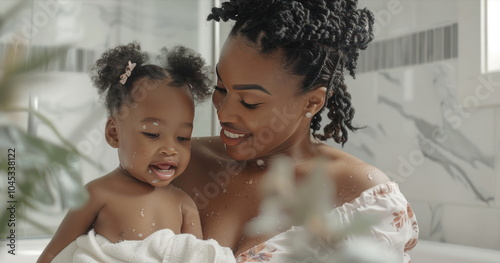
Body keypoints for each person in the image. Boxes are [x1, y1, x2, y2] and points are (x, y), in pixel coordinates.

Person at [172, 0, 419, 262]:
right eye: (220, 88)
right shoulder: (178, 161)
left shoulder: (361, 195)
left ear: (312, 102)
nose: (223, 113)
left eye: (250, 102)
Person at [37, 43, 235, 263]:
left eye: (182, 138)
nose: (170, 149)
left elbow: (197, 256)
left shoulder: (183, 203)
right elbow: (53, 254)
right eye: (152, 134)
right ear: (114, 133)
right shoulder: (97, 194)